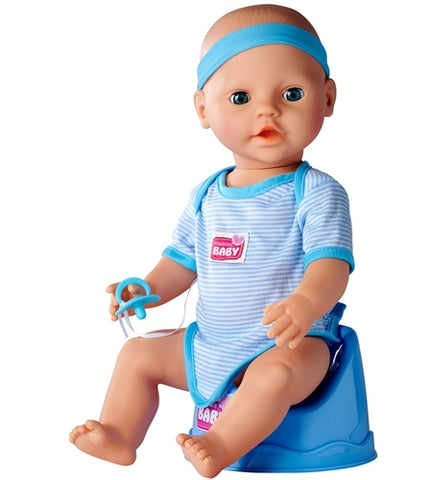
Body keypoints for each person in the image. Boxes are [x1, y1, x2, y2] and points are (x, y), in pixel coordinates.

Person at [70, 4, 354, 478]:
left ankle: (220, 443)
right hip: (212, 343)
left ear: (326, 98)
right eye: (240, 97)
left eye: (291, 93)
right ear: (204, 109)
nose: (267, 110)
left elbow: (331, 265)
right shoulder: (207, 196)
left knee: (274, 376)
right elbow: (182, 262)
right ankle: (119, 434)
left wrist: (306, 303)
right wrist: (147, 288)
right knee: (138, 354)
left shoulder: (316, 191)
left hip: (294, 344)